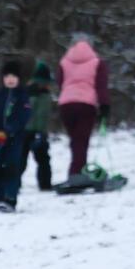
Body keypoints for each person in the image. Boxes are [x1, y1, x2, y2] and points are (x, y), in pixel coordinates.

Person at [55, 36, 111, 182]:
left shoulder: (64, 62)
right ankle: (77, 174)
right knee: (81, 140)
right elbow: (101, 86)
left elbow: (60, 83)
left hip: (66, 104)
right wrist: (104, 105)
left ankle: (77, 171)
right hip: (86, 104)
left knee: (75, 140)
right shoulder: (97, 62)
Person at [0, 61, 35, 213]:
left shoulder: (22, 97)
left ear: (18, 78)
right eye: (7, 76)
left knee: (12, 168)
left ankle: (10, 199)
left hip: (14, 140)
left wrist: (10, 130)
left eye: (13, 76)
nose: (10, 79)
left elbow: (23, 116)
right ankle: (0, 198)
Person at [27, 59, 57, 192]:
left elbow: (44, 115)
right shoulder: (30, 94)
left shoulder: (45, 95)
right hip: (27, 131)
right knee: (21, 159)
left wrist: (42, 132)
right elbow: (37, 115)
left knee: (43, 159)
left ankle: (45, 184)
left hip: (38, 132)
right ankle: (12, 184)